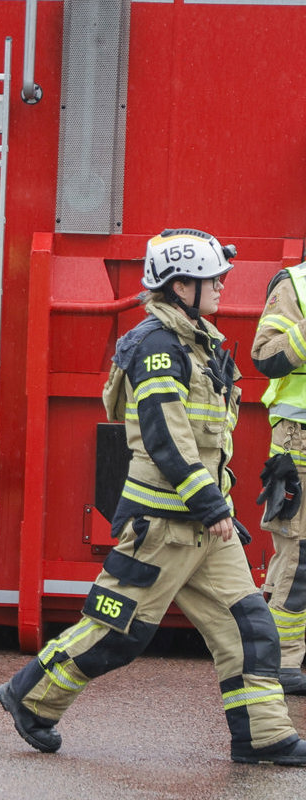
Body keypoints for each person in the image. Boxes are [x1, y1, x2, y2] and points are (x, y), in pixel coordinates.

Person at [0, 229, 306, 765]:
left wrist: (218, 510)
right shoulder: (157, 346)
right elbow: (165, 436)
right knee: (118, 634)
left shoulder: (197, 339)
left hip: (210, 526)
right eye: (214, 279)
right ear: (182, 285)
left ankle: (264, 736)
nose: (223, 286)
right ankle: (30, 696)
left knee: (251, 627)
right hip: (162, 525)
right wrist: (212, 507)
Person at [250, 258, 306, 696]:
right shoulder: (295, 283)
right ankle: (282, 660)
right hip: (300, 445)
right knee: (299, 556)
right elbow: (266, 358)